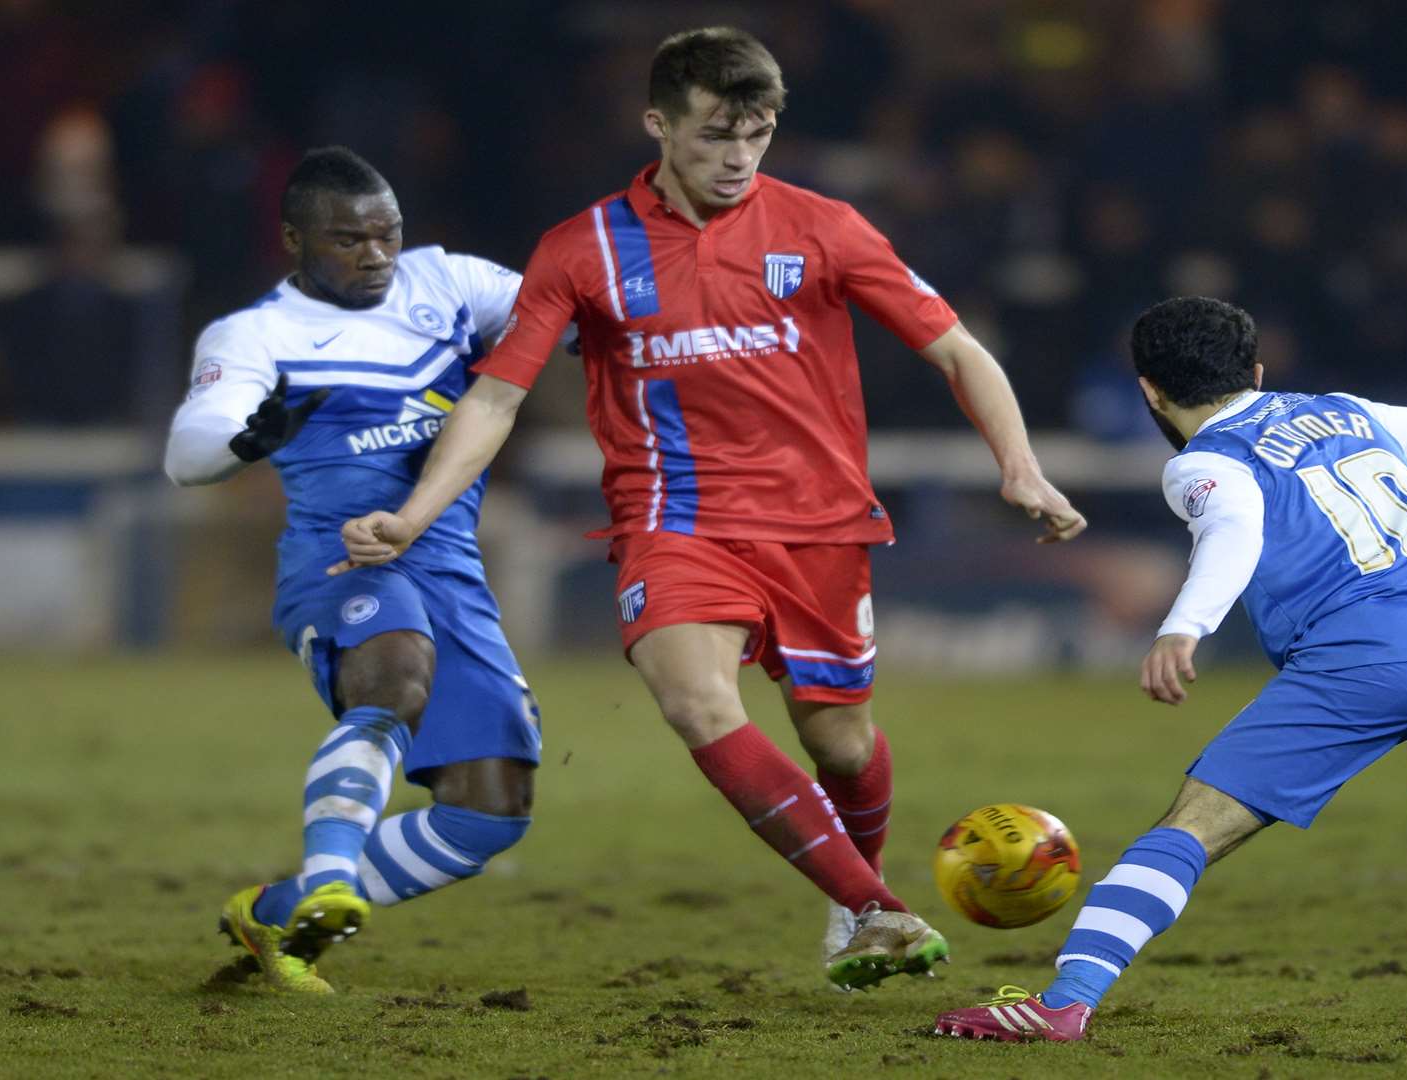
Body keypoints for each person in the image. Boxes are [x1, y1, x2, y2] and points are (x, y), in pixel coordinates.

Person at [330, 27, 1087, 990]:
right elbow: (495, 397)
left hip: (818, 527)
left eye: (757, 136)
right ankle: (877, 912)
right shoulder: (584, 247)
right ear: (658, 124)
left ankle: (853, 890)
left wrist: (1018, 467)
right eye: (714, 137)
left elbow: (958, 351)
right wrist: (418, 513)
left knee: (840, 743)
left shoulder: (824, 227)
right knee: (695, 700)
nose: (737, 160)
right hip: (673, 521)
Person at [934, 297, 1407, 1041]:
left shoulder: (1204, 460)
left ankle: (1064, 1002)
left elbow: (1234, 527)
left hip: (1364, 661)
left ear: (1148, 391)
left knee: (1193, 826)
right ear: (1259, 372)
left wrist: (1182, 628)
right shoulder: (1347, 411)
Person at [165, 146, 541, 993]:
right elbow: (189, 454)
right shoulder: (255, 336)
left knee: (490, 813)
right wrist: (242, 441)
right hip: (341, 556)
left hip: (447, 563)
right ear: (295, 239)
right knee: (395, 674)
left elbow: (564, 309)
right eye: (348, 240)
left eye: (387, 234)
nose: (375, 255)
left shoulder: (447, 283)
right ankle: (332, 873)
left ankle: (272, 912)